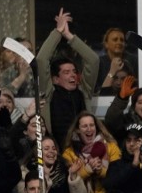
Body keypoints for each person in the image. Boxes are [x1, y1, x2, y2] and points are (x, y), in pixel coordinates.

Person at [34, 8, 100, 145]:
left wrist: (69, 35)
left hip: (84, 152)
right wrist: (58, 33)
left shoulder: (84, 90)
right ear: (55, 79)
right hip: (57, 151)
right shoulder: (49, 92)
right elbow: (41, 60)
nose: (72, 75)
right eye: (66, 72)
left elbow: (93, 60)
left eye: (74, 71)